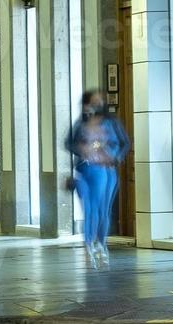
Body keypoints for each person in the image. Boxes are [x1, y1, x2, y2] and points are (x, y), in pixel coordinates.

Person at [65, 90, 129, 267]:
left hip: (106, 168)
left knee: (103, 210)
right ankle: (89, 244)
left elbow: (124, 143)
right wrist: (81, 148)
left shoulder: (111, 122)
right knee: (90, 208)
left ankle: (101, 243)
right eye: (92, 101)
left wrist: (114, 157)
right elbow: (68, 142)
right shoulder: (81, 124)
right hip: (86, 169)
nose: (95, 104)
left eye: (99, 101)